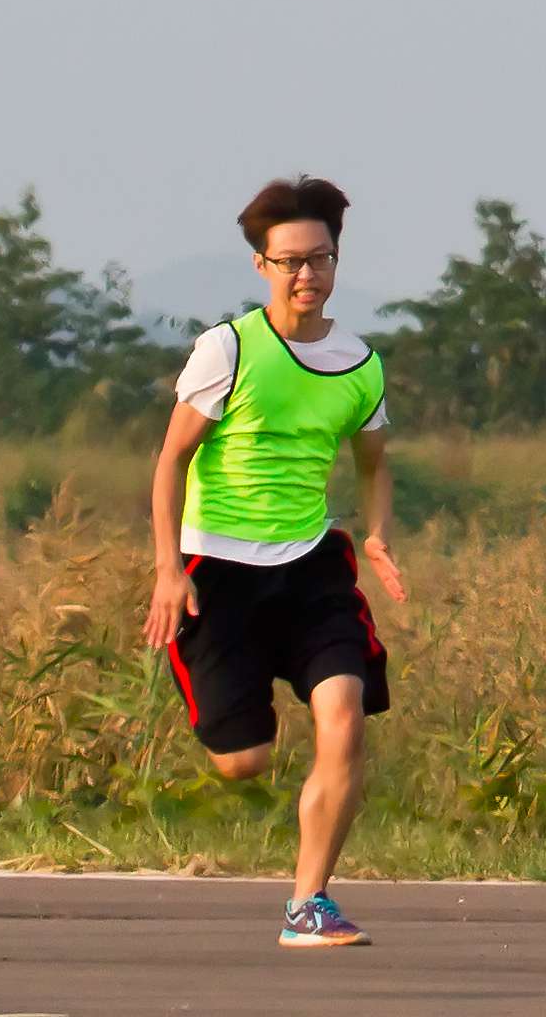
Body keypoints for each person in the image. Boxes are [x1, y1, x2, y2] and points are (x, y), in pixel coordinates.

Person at [142, 175, 407, 950]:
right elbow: (170, 461)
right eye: (288, 261)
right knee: (244, 762)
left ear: (336, 261)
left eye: (319, 258)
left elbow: (374, 464)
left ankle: (308, 905)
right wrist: (168, 569)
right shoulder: (228, 350)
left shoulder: (360, 365)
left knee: (344, 717)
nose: (305, 274)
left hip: (312, 568)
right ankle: (228, 701)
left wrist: (378, 533)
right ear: (262, 266)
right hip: (218, 572)